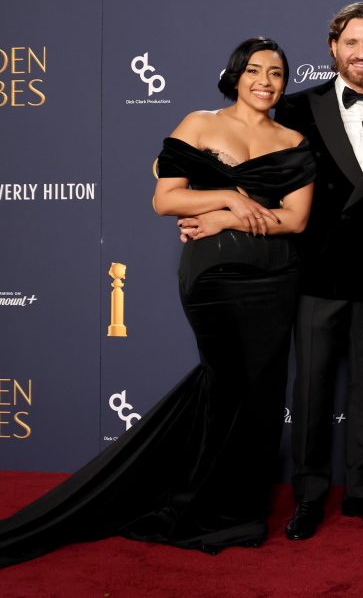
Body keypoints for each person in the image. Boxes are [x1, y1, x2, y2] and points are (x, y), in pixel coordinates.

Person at [0, 37, 315, 567]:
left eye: (277, 72)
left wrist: (224, 218)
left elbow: (296, 219)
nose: (266, 80)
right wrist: (230, 196)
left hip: (276, 279)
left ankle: (241, 512)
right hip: (213, 280)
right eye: (255, 70)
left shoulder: (293, 138)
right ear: (235, 75)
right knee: (229, 383)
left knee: (259, 395)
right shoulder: (198, 123)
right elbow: (165, 198)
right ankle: (201, 508)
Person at [273, 3, 363, 540]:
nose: (362, 54)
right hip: (316, 274)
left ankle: (362, 493)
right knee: (310, 390)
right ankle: (308, 496)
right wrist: (210, 215)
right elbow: (253, 170)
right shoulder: (295, 110)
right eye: (352, 43)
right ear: (333, 48)